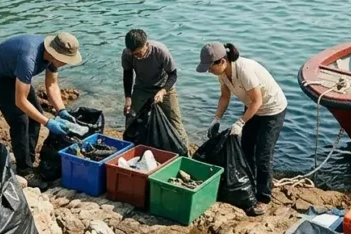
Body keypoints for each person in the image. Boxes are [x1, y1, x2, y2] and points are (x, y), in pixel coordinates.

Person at [197, 42, 287, 216]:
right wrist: (216, 119)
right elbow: (225, 96)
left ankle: (264, 197)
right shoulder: (223, 73)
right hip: (253, 108)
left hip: (272, 110)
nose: (209, 71)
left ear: (222, 61)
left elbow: (258, 101)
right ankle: (252, 184)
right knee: (245, 148)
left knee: (263, 154)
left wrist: (240, 123)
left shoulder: (244, 70)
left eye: (210, 67)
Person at [0, 32, 82, 176]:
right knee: (20, 120)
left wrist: (61, 111)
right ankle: (24, 170)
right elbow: (20, 102)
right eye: (65, 60)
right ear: (56, 54)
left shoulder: (52, 57)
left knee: (36, 116)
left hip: (13, 72)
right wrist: (48, 122)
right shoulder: (29, 59)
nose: (66, 63)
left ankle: (29, 160)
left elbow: (52, 85)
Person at [122, 29, 188, 146]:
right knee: (131, 117)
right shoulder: (127, 53)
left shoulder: (160, 51)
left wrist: (163, 91)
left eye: (138, 53)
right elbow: (127, 74)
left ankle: (184, 151)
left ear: (146, 45)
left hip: (164, 87)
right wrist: (128, 97)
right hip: (142, 88)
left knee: (175, 122)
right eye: (133, 54)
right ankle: (130, 147)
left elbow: (173, 75)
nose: (136, 57)